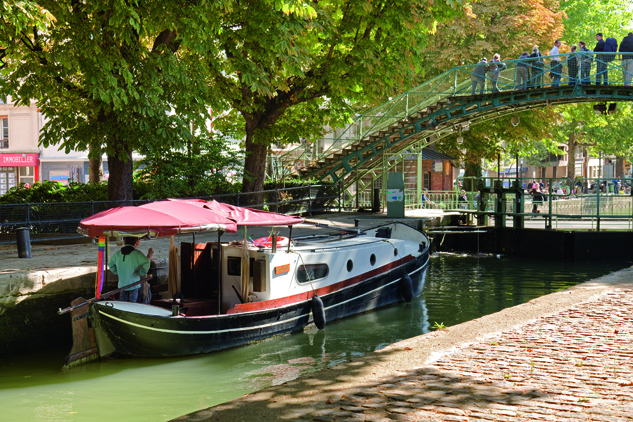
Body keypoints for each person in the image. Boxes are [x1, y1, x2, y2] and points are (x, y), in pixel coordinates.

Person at [108, 237, 153, 302]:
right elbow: (147, 262)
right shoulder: (137, 253)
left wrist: (117, 272)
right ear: (135, 242)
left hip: (122, 284)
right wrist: (141, 272)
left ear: (124, 241)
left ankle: (122, 311)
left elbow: (110, 264)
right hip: (134, 283)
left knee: (122, 302)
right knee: (133, 302)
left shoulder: (117, 254)